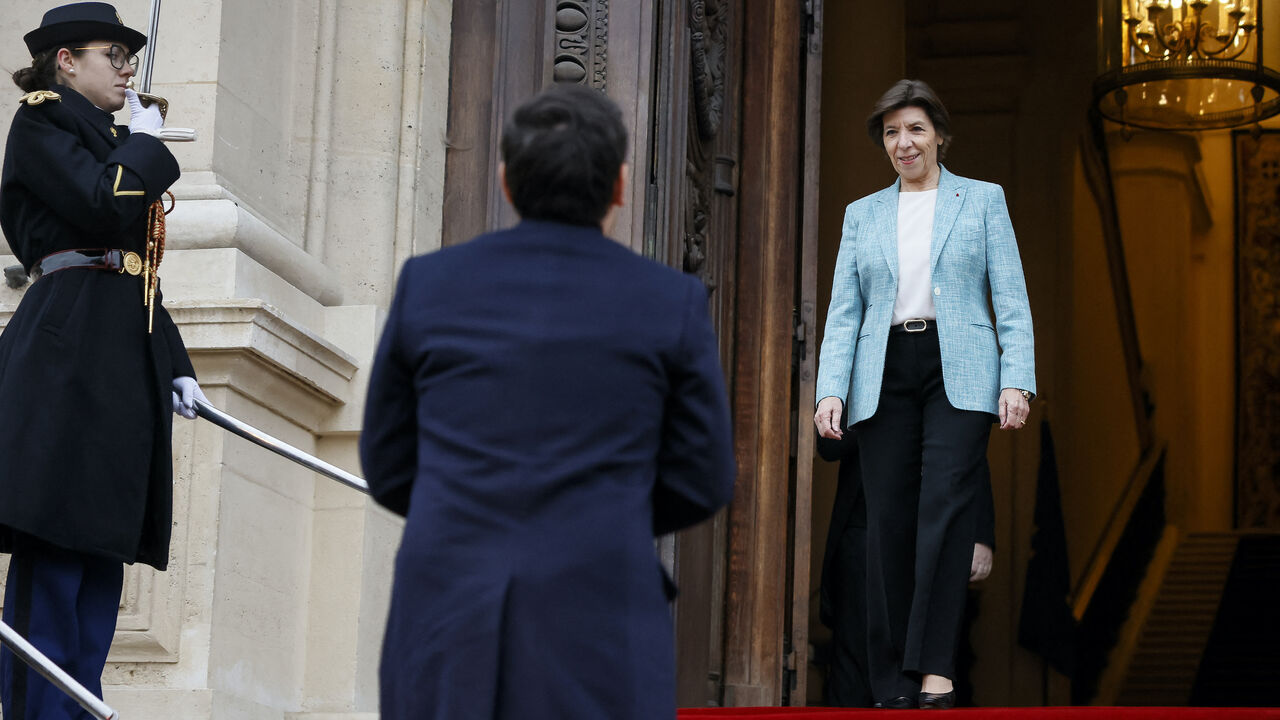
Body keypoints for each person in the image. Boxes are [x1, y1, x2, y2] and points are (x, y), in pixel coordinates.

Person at [359, 83, 735, 720]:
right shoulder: (668, 300)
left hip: (447, 612)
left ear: (505, 180)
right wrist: (609, 514)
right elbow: (704, 474)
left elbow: (388, 462)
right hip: (600, 611)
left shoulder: (429, 284)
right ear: (619, 185)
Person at [0, 3, 205, 718]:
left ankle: (81, 707)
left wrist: (174, 358)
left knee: (98, 556)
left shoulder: (111, 138)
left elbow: (134, 269)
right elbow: (98, 209)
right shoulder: (44, 121)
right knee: (55, 546)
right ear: (66, 61)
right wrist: (144, 149)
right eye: (111, 55)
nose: (127, 69)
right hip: (66, 347)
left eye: (129, 58)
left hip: (117, 349)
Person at [813, 78, 1035, 709]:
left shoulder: (982, 200)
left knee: (944, 513)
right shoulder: (863, 215)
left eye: (914, 129)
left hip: (958, 365)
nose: (903, 143)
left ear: (938, 133)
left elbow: (1012, 299)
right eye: (891, 132)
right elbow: (843, 314)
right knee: (887, 526)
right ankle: (892, 682)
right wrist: (831, 391)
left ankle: (936, 672)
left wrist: (1017, 377)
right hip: (883, 367)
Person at [816, 422, 996, 708]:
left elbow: (967, 447)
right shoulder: (857, 377)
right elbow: (829, 445)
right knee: (853, 662)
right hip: (863, 531)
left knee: (929, 664)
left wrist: (980, 534)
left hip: (930, 534)